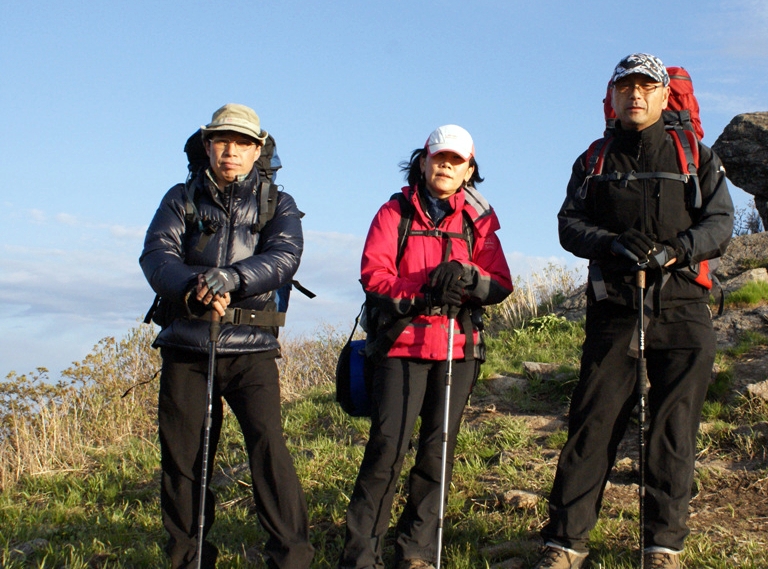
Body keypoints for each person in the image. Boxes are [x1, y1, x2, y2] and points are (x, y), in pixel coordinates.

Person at [535, 54, 734, 569]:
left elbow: (720, 224)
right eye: (626, 87)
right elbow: (569, 224)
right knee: (593, 423)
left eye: (647, 87)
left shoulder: (695, 155)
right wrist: (614, 242)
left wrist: (676, 250)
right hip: (616, 305)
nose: (636, 95)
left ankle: (662, 548)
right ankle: (565, 544)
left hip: (684, 304)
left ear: (667, 96)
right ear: (613, 96)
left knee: (673, 429)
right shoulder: (594, 159)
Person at [140, 104, 314, 568]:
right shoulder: (181, 196)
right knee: (184, 459)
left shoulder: (279, 203)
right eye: (222, 141)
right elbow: (157, 255)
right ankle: (189, 559)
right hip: (187, 346)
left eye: (241, 143)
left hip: (253, 348)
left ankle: (292, 558)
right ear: (207, 146)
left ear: (258, 149)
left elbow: (284, 256)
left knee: (268, 450)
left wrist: (231, 279)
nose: (230, 151)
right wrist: (194, 287)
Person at [339, 124, 513, 569]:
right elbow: (374, 276)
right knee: (387, 450)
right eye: (439, 158)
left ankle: (415, 553)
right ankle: (361, 555)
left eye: (456, 161)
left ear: (469, 169)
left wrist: (468, 277)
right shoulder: (393, 213)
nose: (446, 166)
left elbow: (501, 283)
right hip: (401, 346)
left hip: (459, 348)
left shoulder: (479, 220)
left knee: (438, 452)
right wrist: (423, 294)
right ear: (423, 161)